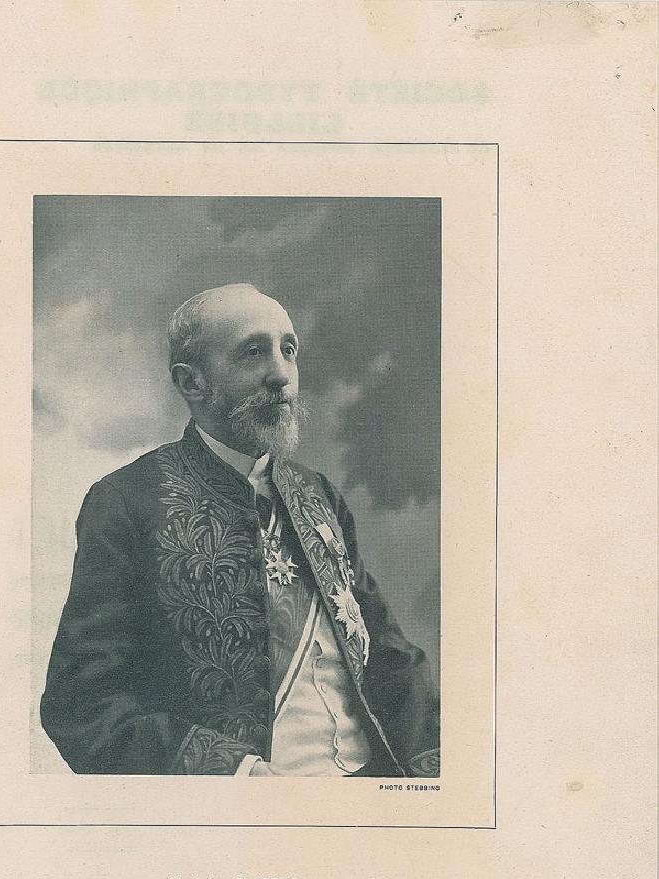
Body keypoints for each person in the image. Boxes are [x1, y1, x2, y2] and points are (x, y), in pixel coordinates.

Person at [40, 283, 439, 777]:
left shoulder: (318, 495)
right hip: (247, 805)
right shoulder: (127, 501)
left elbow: (391, 657)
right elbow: (81, 703)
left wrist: (433, 772)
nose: (281, 375)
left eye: (288, 350)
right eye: (253, 352)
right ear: (192, 382)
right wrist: (236, 773)